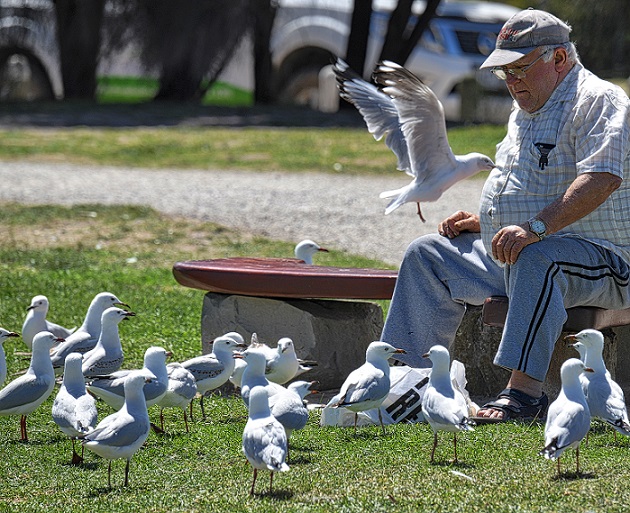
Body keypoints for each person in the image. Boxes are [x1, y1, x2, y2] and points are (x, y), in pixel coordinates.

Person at [380, 8, 630, 422]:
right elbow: (531, 186)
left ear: (560, 59)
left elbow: (602, 178)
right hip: (526, 252)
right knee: (427, 254)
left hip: (608, 261)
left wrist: (534, 228)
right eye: (504, 73)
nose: (511, 81)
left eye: (519, 69)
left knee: (539, 259)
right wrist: (487, 222)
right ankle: (404, 383)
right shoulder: (526, 108)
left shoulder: (599, 100)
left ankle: (524, 394)